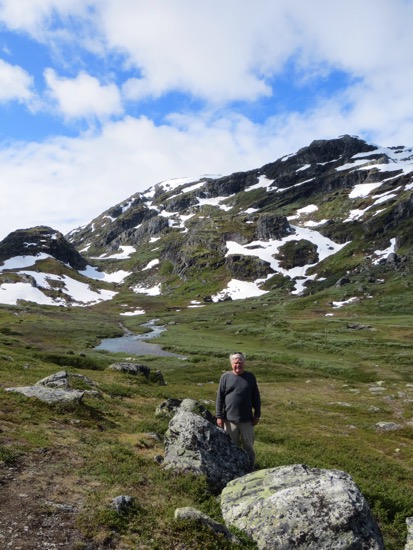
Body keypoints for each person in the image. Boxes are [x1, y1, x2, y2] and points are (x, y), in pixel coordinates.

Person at [216, 352, 261, 469]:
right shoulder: (225, 377)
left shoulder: (250, 377)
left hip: (247, 420)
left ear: (244, 363)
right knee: (231, 446)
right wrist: (219, 416)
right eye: (235, 363)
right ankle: (232, 469)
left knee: (249, 447)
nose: (238, 365)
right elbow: (220, 398)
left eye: (240, 362)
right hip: (229, 421)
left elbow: (256, 397)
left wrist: (257, 414)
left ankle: (250, 468)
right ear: (231, 364)